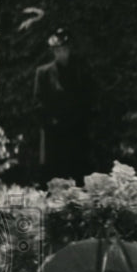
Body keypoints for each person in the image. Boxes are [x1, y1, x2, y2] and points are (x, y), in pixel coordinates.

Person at [32, 27, 95, 185]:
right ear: (53, 52)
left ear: (69, 50)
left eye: (64, 50)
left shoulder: (80, 71)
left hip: (76, 131)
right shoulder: (44, 73)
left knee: (78, 174)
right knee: (54, 175)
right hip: (54, 134)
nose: (62, 54)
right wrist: (51, 122)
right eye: (58, 50)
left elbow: (88, 98)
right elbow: (38, 103)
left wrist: (80, 121)